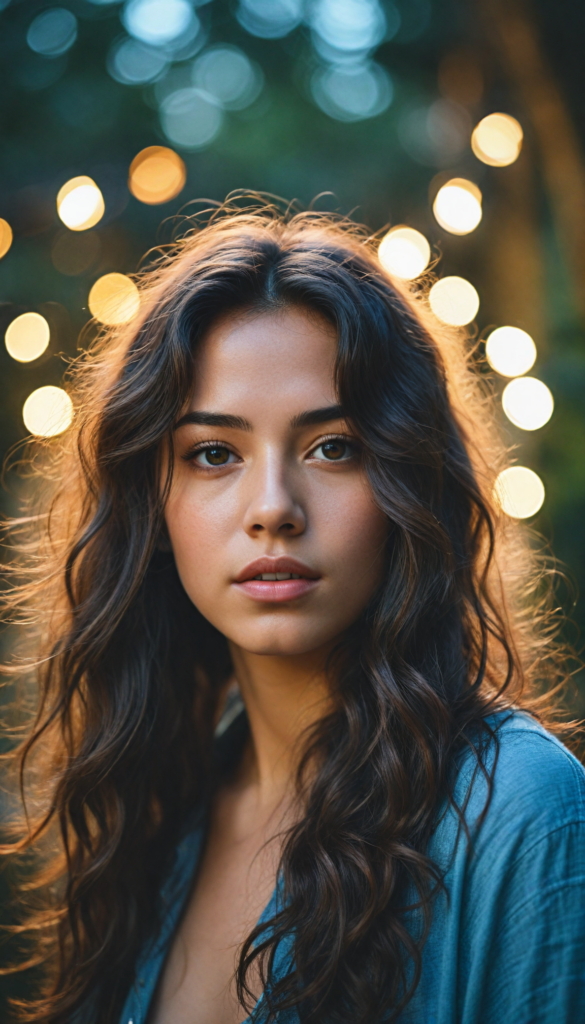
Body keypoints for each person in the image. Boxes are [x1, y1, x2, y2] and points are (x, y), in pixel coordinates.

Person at [2, 201, 584, 1024]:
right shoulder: (157, 810)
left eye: (332, 447)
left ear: (406, 485)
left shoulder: (519, 812)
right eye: (213, 454)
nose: (272, 507)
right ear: (152, 509)